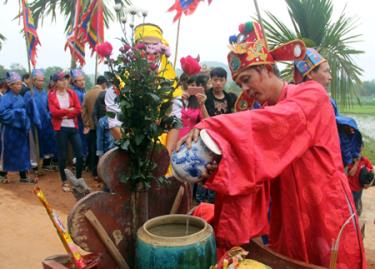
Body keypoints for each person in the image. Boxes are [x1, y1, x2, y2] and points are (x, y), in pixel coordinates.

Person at [177, 21, 365, 268]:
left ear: (266, 68)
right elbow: (255, 164)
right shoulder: (269, 109)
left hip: (324, 210)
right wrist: (220, 164)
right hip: (288, 212)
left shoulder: (310, 96)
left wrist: (212, 126)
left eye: (247, 79)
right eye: (240, 83)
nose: (245, 89)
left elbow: (268, 124)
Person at [0, 71, 40, 183]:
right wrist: (20, 114)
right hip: (9, 131)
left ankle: (23, 176)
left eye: (20, 84)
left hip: (21, 131)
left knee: (22, 152)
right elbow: (2, 114)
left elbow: (27, 111)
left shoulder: (21, 98)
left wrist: (30, 104)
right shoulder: (5, 98)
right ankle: (2, 175)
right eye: (16, 84)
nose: (19, 86)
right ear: (10, 85)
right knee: (7, 152)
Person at [48, 71, 84, 192]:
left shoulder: (72, 93)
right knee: (62, 156)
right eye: (61, 80)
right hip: (60, 128)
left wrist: (64, 113)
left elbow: (78, 109)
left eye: (66, 79)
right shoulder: (52, 95)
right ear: (55, 82)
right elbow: (54, 112)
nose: (64, 82)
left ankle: (78, 179)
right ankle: (64, 181)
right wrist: (69, 111)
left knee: (79, 154)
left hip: (73, 127)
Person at [24, 69, 57, 170]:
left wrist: (49, 115)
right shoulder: (29, 94)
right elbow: (25, 109)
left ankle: (47, 164)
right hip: (34, 123)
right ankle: (34, 165)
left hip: (46, 122)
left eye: (42, 80)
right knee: (35, 144)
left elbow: (48, 107)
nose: (41, 82)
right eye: (39, 80)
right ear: (33, 81)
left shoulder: (44, 93)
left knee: (47, 141)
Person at [82, 75, 107, 180]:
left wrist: (87, 124)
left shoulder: (87, 94)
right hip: (103, 126)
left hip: (92, 126)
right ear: (104, 84)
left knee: (93, 149)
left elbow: (83, 111)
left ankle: (93, 171)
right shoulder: (104, 93)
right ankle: (101, 172)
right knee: (102, 149)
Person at [347, 143, 375, 215]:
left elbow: (372, 171)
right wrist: (357, 162)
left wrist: (369, 184)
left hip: (359, 189)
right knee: (347, 208)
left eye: (360, 147)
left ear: (362, 148)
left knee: (356, 205)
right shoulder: (350, 159)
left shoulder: (365, 160)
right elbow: (351, 173)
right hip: (349, 189)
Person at [70, 68, 88, 158]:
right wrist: (85, 122)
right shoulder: (76, 93)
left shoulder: (83, 91)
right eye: (79, 80)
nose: (82, 82)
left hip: (82, 121)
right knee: (80, 141)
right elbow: (80, 109)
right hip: (78, 122)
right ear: (74, 82)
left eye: (83, 80)